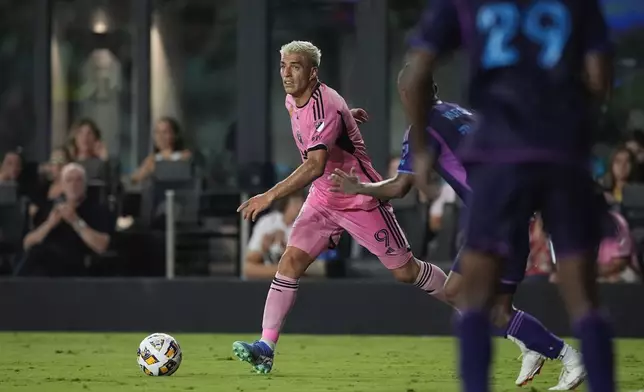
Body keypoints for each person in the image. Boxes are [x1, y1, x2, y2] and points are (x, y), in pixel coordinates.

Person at [402, 0, 614, 391]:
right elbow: (600, 73)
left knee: (473, 299)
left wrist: (418, 149)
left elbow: (416, 73)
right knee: (584, 297)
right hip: (562, 154)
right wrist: (576, 127)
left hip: (500, 157)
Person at [330, 71, 583, 390]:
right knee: (500, 309)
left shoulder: (422, 129)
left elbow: (399, 187)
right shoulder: (461, 112)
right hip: (515, 208)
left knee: (458, 294)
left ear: (408, 96)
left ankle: (567, 356)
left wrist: (359, 187)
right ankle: (532, 344)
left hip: (493, 217)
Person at [231, 40, 450, 374]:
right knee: (289, 262)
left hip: (359, 197)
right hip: (322, 199)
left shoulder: (325, 106)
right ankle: (265, 346)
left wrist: (269, 195)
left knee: (406, 272)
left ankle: (467, 301)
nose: (287, 74)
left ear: (313, 71)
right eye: (283, 66)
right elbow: (322, 123)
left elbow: (315, 164)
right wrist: (348, 116)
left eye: (296, 66)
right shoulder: (295, 99)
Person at [18, 163, 112, 277]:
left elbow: (101, 246)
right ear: (62, 185)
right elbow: (27, 243)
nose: (74, 185)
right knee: (34, 255)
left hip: (76, 263)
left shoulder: (97, 209)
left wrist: (75, 221)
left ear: (85, 184)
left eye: (78, 180)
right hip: (45, 262)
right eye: (69, 180)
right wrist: (49, 224)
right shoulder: (49, 207)